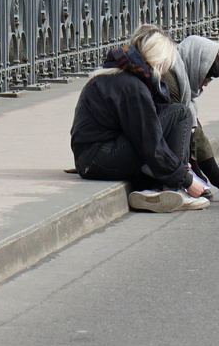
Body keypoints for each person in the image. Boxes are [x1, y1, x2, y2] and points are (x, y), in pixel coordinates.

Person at [70, 29, 210, 213]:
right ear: (158, 59)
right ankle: (172, 188)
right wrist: (185, 178)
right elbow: (149, 141)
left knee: (174, 114)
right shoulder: (132, 87)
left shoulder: (115, 76)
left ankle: (155, 190)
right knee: (181, 113)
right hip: (98, 160)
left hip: (91, 158)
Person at [152, 30, 219, 201]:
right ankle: (171, 186)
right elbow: (183, 135)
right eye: (206, 79)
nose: (204, 86)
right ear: (196, 67)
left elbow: (195, 134)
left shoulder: (182, 83)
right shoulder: (170, 81)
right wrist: (190, 180)